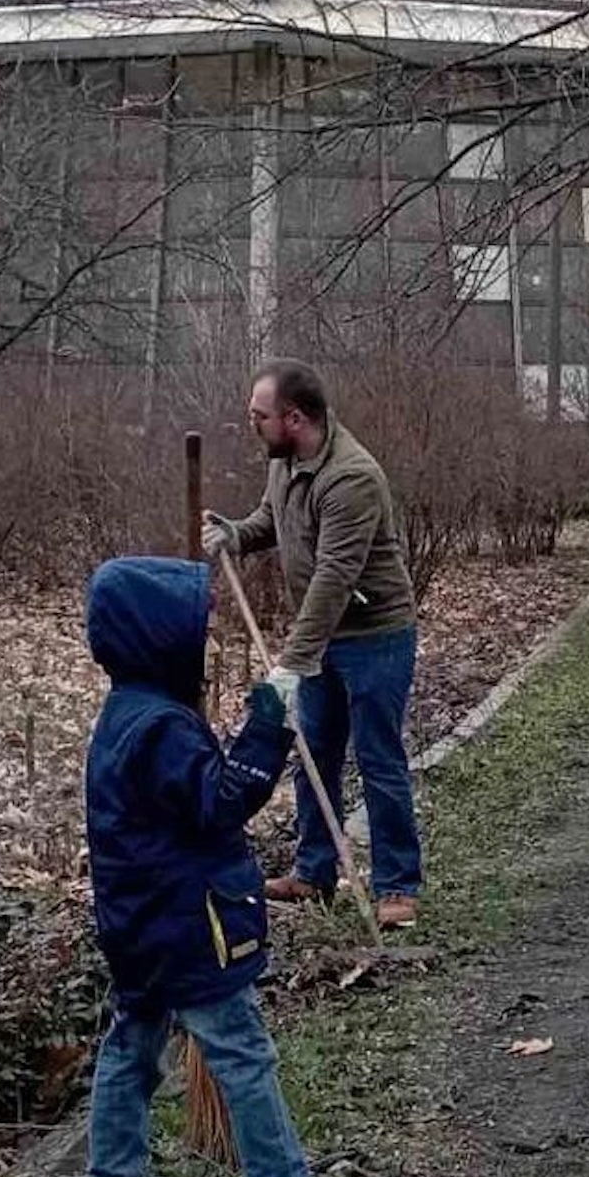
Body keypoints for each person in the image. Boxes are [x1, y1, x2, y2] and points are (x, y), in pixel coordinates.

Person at [82, 555, 354, 1177]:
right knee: (242, 1054)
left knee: (133, 1042)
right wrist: (267, 726)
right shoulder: (162, 729)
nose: (204, 640)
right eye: (193, 628)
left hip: (136, 924)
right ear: (156, 638)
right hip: (187, 924)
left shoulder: (126, 715)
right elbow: (222, 802)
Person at [201, 359, 423, 930]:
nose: (253, 425)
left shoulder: (351, 477)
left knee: (379, 761)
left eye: (260, 417)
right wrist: (233, 533)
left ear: (294, 418)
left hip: (375, 639)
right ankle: (313, 872)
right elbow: (272, 520)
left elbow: (332, 579)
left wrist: (291, 664)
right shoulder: (288, 462)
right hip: (323, 640)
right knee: (314, 757)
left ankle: (398, 886)